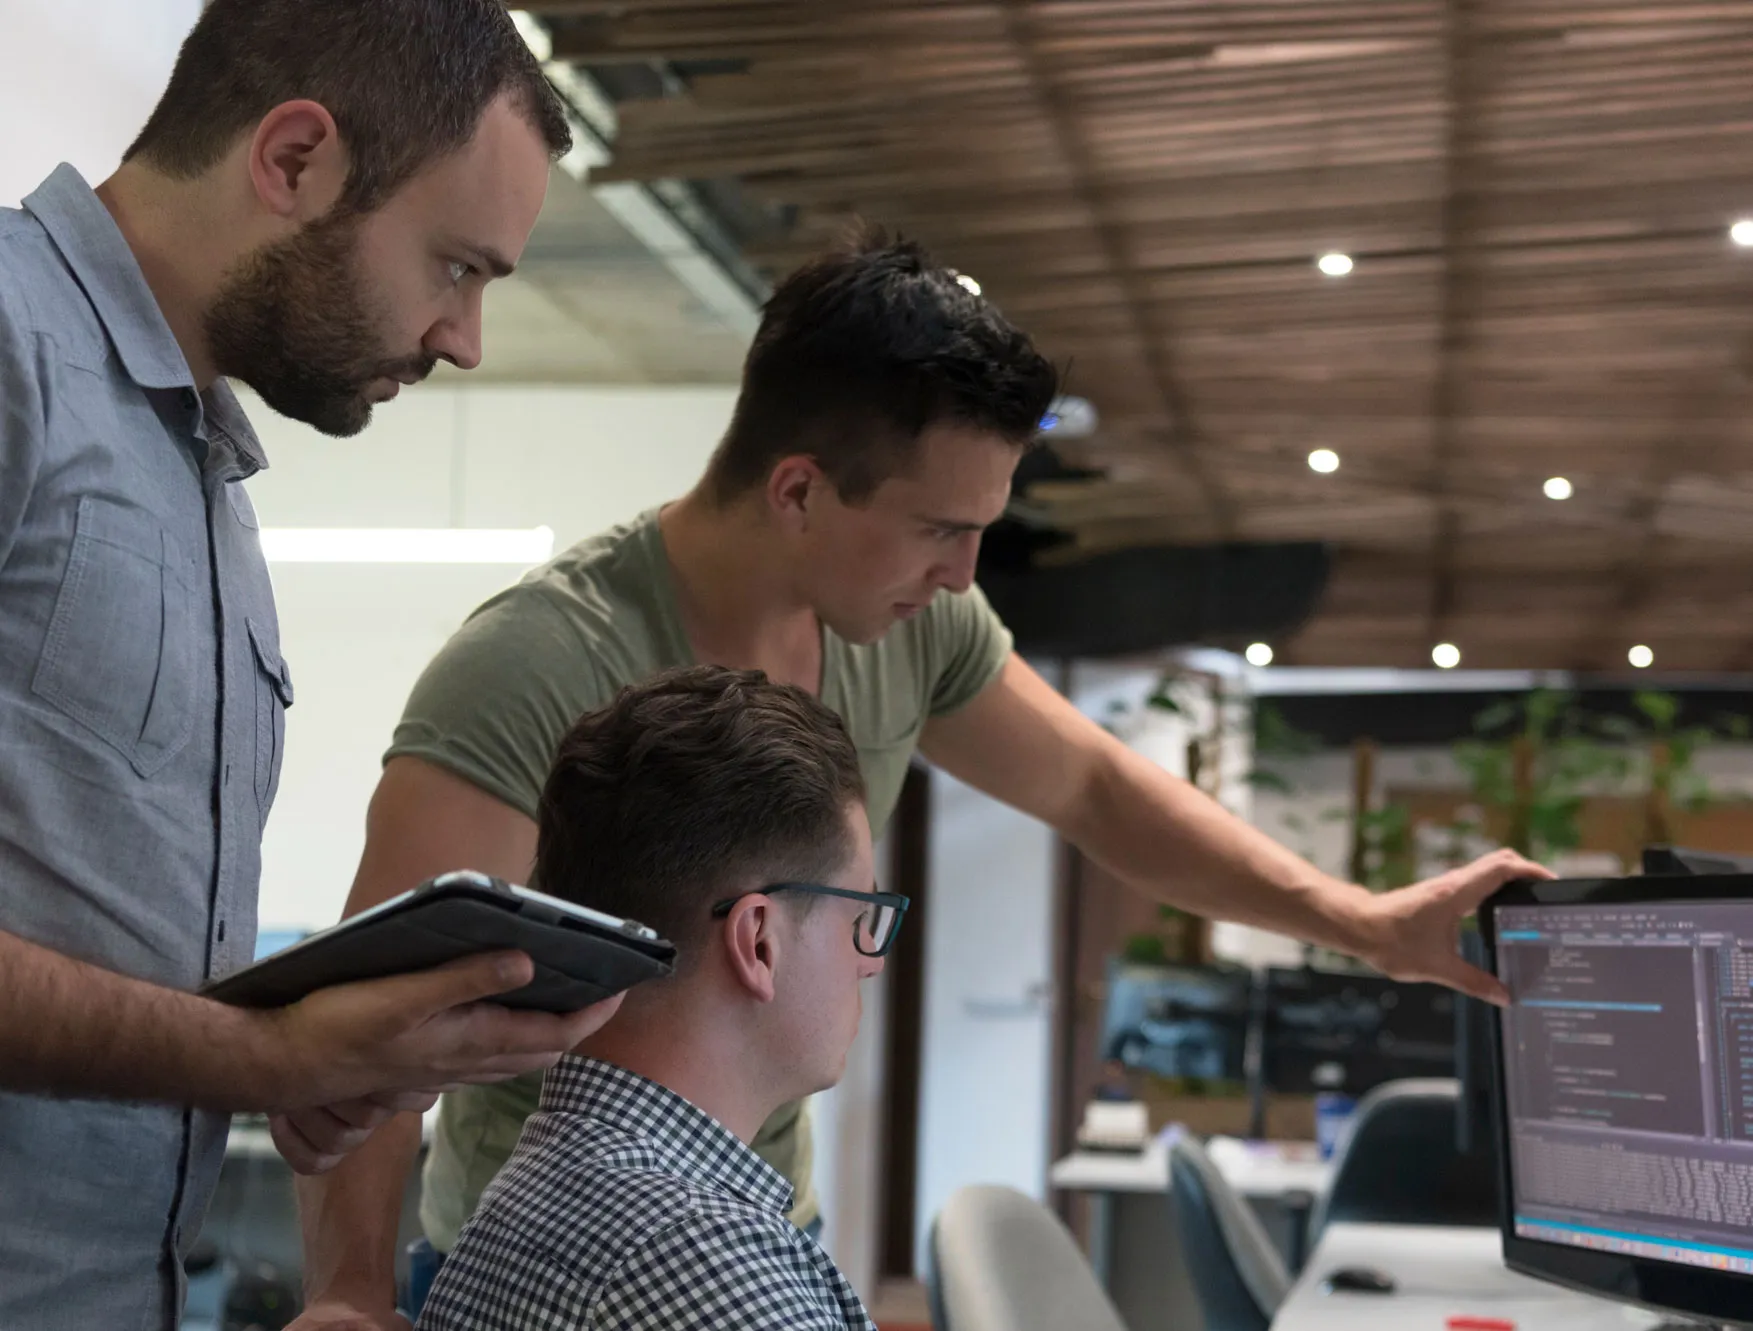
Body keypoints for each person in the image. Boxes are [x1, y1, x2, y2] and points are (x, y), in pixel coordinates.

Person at [293, 227, 1548, 1329]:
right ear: (799, 490)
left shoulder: (908, 625)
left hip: (746, 1223)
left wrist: (1366, 924)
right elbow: (387, 1007)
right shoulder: (535, 663)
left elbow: (1094, 792)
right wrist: (346, 1291)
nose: (963, 574)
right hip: (567, 1254)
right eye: (942, 529)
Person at [0, 3, 625, 1326]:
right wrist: (254, 1050)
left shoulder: (203, 469)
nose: (464, 338)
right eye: (457, 267)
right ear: (292, 159)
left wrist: (305, 1050)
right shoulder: (13, 356)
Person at [417, 666, 884, 1331]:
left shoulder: (531, 1194)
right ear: (758, 941)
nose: (872, 961)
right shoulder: (710, 1268)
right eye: (858, 916)